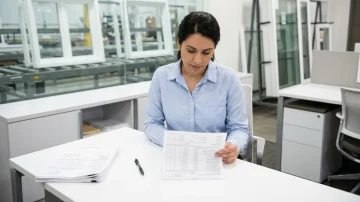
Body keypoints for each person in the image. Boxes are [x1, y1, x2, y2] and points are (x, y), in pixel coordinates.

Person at [144, 11, 249, 164]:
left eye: (206, 52)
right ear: (179, 43)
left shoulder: (228, 79)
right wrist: (175, 144)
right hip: (177, 159)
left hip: (216, 160)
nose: (198, 60)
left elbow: (239, 128)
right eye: (191, 51)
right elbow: (152, 123)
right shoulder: (162, 77)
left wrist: (234, 145)